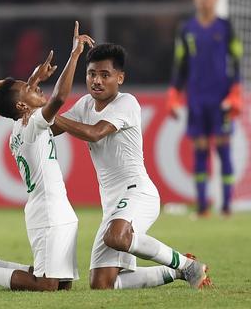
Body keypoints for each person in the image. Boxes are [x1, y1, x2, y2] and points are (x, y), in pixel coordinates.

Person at [52, 43, 212, 290]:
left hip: (137, 192)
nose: (97, 80)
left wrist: (48, 114)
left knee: (116, 237)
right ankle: (178, 271)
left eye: (105, 75)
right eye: (92, 74)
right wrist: (31, 108)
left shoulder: (127, 103)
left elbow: (95, 133)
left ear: (120, 78)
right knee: (102, 284)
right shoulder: (85, 104)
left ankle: (186, 267)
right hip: (112, 204)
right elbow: (51, 128)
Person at [0, 22, 94, 292]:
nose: (37, 88)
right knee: (47, 284)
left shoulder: (22, 124)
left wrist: (34, 80)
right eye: (30, 89)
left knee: (61, 285)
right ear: (21, 105)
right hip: (48, 210)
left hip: (55, 208)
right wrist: (75, 54)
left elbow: (27, 96)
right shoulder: (33, 124)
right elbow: (60, 97)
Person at [167, 0, 243, 217]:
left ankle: (227, 206)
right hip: (197, 99)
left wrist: (236, 92)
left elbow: (237, 61)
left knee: (223, 148)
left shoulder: (226, 27)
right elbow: (180, 64)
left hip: (221, 99)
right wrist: (174, 93)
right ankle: (202, 207)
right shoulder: (186, 29)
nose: (205, 0)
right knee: (200, 148)